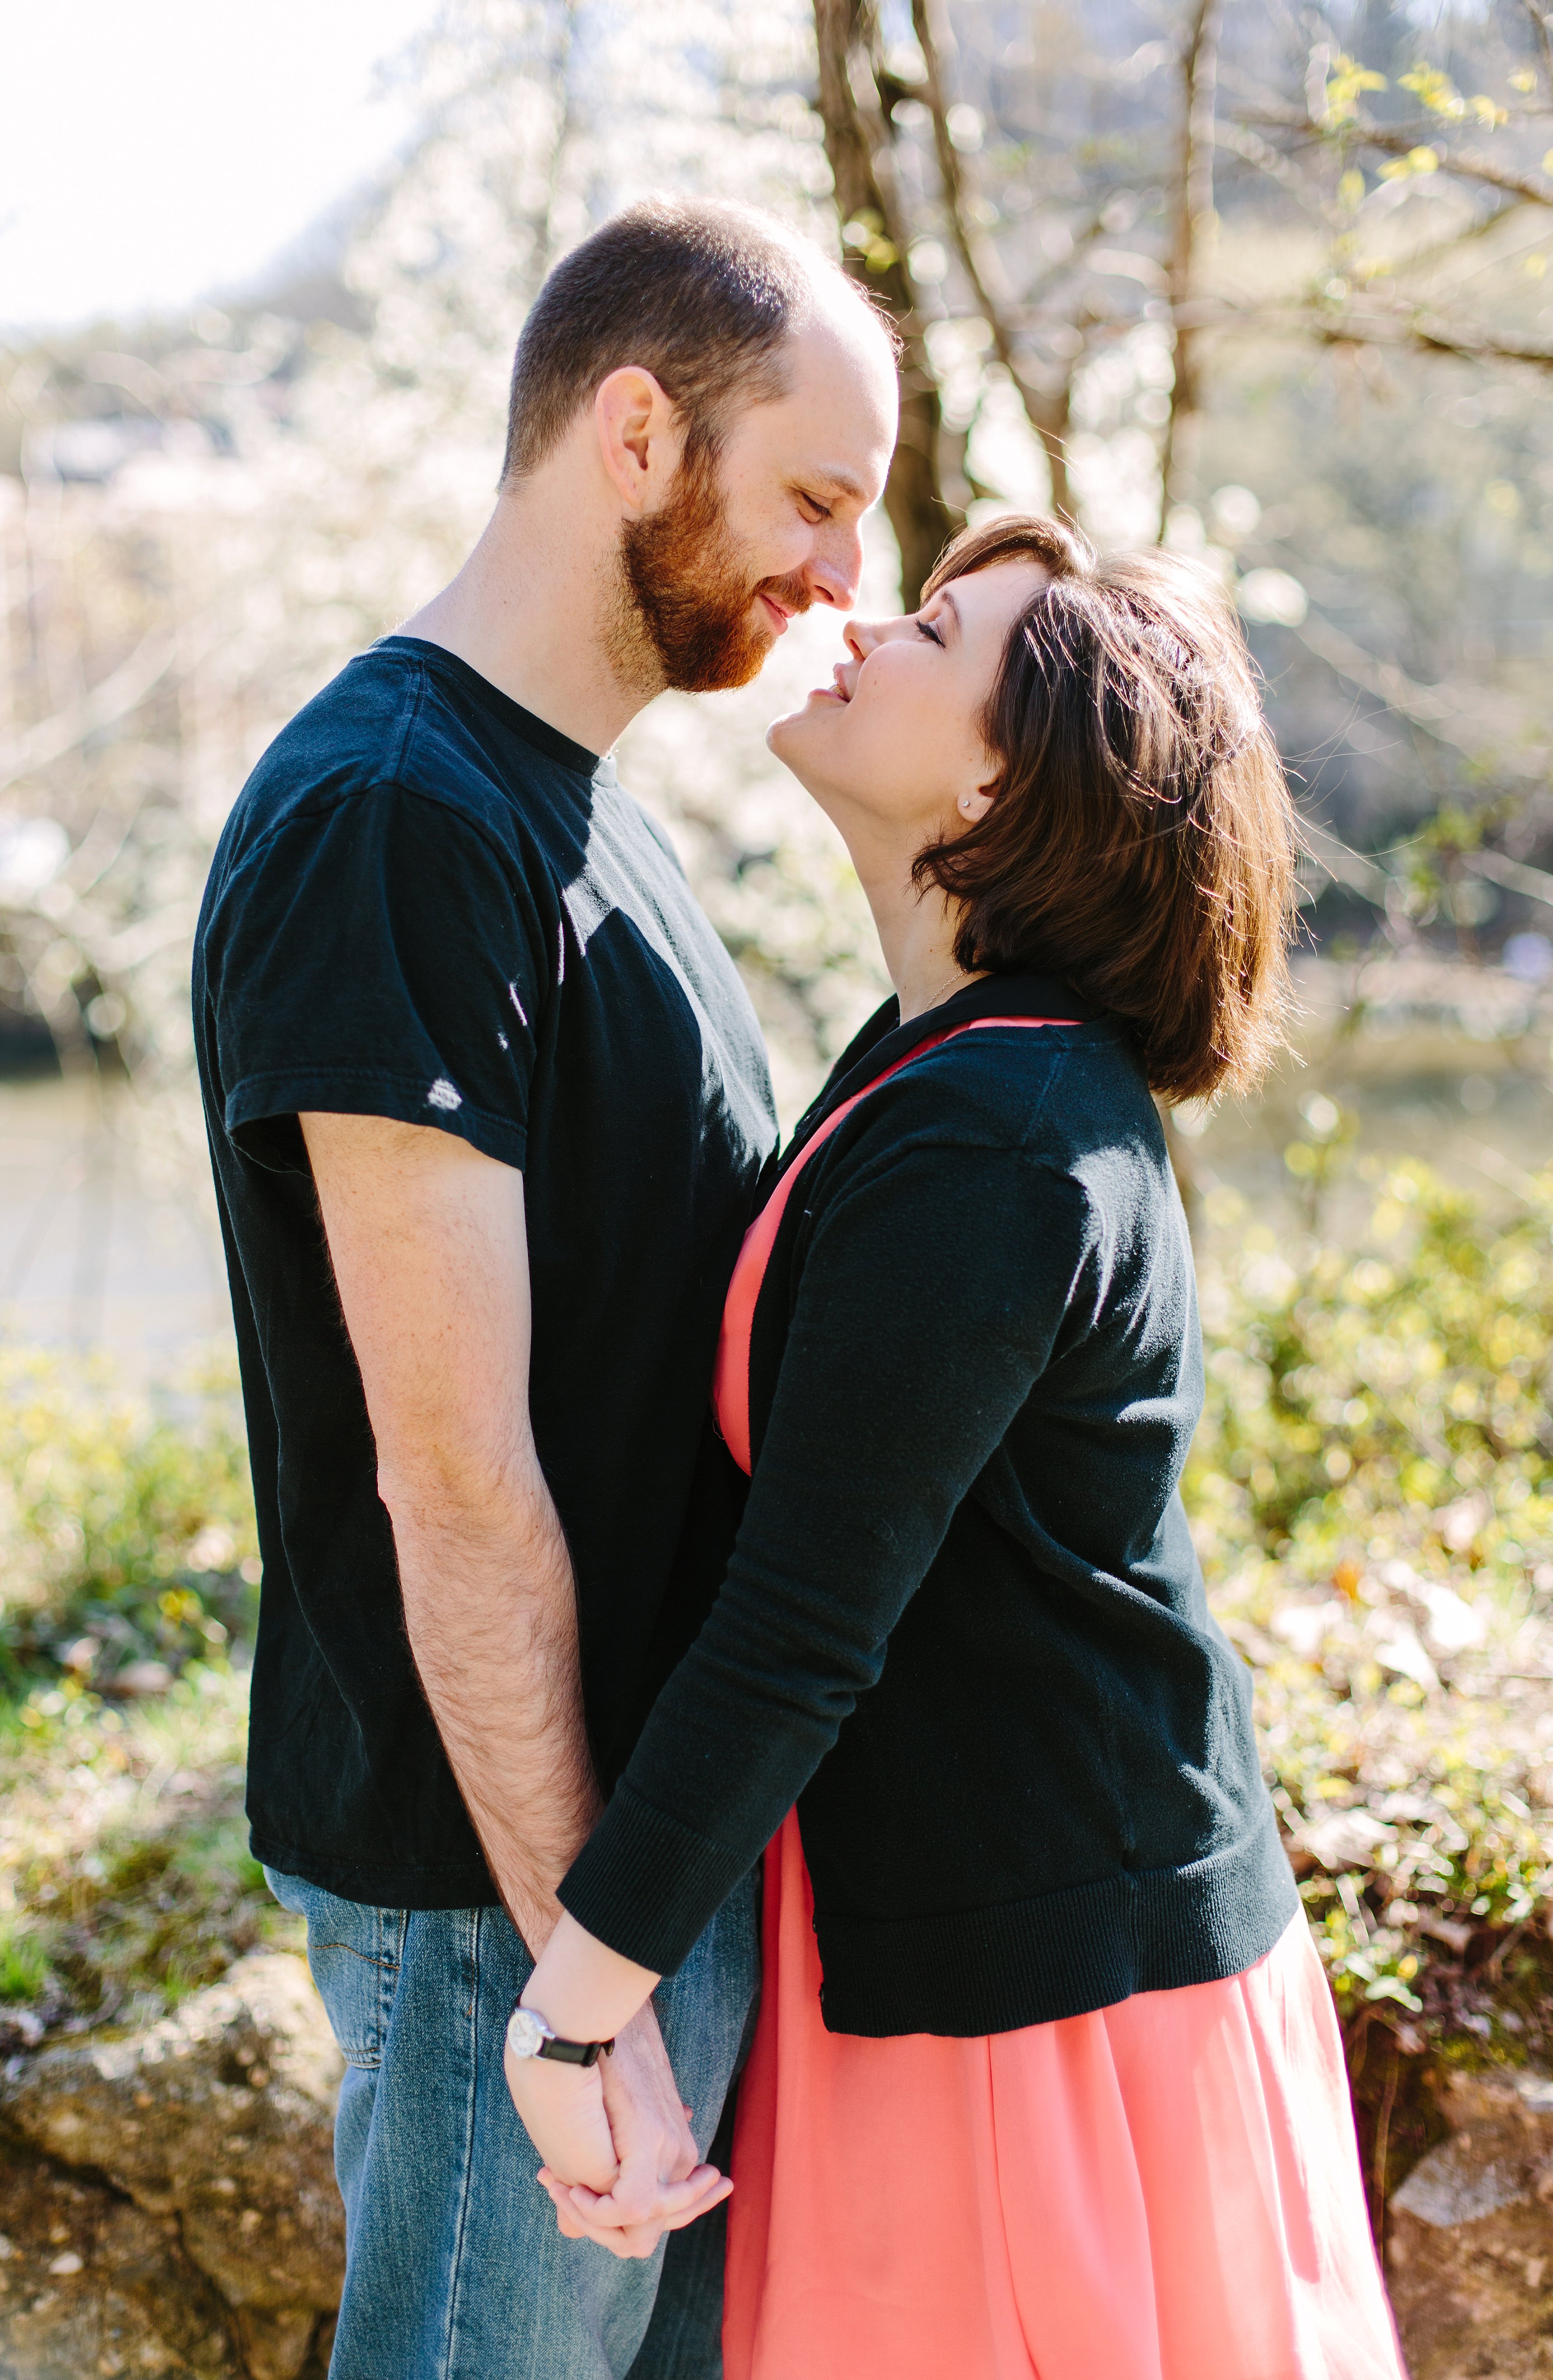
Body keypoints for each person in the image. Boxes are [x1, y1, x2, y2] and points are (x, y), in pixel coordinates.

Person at [502, 515, 1408, 2380]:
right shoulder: (943, 1065)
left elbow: (800, 1626)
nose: (852, 619)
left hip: (1041, 2007)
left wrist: (568, 2016)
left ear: (1008, 779)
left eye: (930, 626)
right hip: (981, 1945)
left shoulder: (990, 1137)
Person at [191, 197, 897, 2380]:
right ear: (631, 428)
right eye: (810, 497)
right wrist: (575, 1977)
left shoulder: (585, 812)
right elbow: (455, 1473)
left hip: (621, 1875)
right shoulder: (398, 820)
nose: (834, 579)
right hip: (503, 1886)